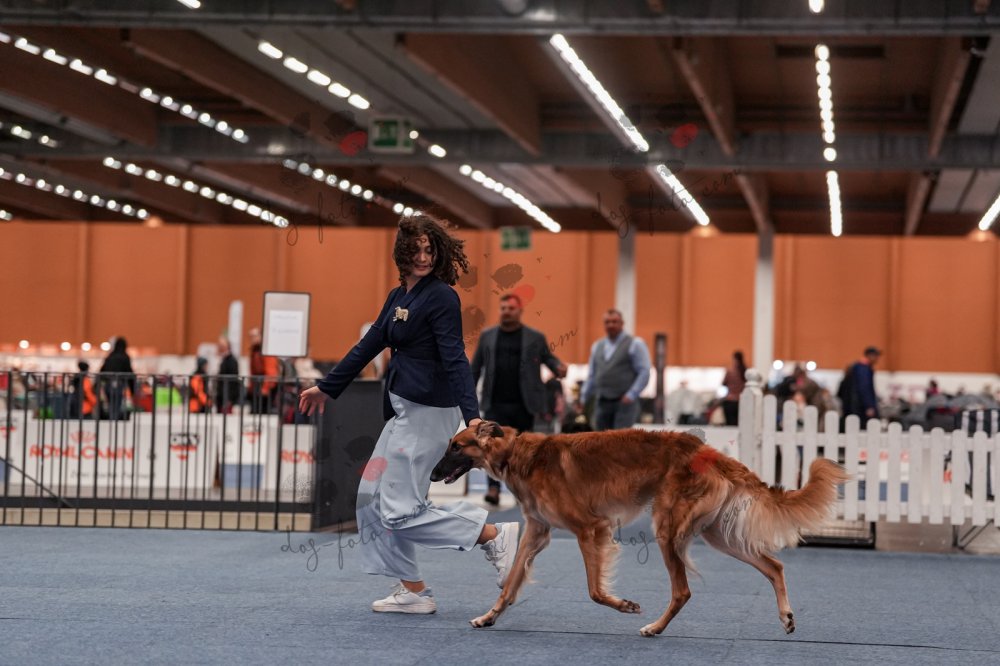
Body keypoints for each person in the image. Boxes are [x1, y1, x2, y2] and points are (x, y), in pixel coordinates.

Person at [298, 216, 519, 615]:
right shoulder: (399, 295)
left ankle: (492, 535)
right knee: (371, 499)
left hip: (428, 414)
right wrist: (327, 386)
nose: (423, 257)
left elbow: (455, 357)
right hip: (404, 413)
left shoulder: (442, 297)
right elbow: (370, 343)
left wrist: (472, 416)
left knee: (400, 511)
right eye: (415, 249)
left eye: (430, 250)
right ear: (401, 252)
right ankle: (413, 590)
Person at [470, 293, 567, 505]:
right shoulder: (487, 336)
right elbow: (475, 367)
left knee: (522, 450)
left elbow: (548, 358)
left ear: (520, 311)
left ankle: (522, 491)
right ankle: (493, 489)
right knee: (491, 446)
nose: (506, 312)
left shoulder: (535, 337)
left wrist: (558, 367)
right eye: (503, 308)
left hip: (525, 404)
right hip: (494, 402)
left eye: (511, 308)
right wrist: (467, 394)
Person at [580, 309, 651, 431]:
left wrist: (631, 395)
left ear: (622, 323)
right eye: (607, 322)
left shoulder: (635, 344)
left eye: (614, 322)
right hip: (602, 402)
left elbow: (644, 371)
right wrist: (584, 398)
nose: (611, 325)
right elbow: (592, 375)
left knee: (621, 440)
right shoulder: (597, 346)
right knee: (600, 438)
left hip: (624, 403)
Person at [840, 346, 882, 424]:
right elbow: (864, 387)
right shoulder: (863, 368)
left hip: (853, 406)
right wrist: (869, 406)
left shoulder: (857, 366)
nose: (877, 359)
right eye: (876, 356)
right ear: (870, 355)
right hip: (859, 407)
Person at [99, 336, 135, 420]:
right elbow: (129, 372)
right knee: (117, 405)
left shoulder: (110, 356)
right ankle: (115, 421)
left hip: (108, 385)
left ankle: (111, 420)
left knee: (111, 404)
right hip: (119, 384)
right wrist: (132, 388)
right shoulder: (125, 357)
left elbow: (102, 370)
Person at [247, 327, 281, 414]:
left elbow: (271, 372)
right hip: (257, 384)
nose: (252, 339)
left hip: (266, 385)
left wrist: (265, 388)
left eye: (254, 336)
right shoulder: (254, 350)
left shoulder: (266, 351)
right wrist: (251, 386)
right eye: (251, 337)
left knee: (263, 411)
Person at [215, 338, 241, 413]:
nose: (219, 348)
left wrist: (230, 398)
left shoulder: (232, 361)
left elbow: (233, 381)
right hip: (221, 395)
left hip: (227, 396)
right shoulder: (223, 359)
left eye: (221, 346)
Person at [721, 350, 747, 426]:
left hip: (730, 400)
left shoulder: (730, 371)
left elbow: (723, 383)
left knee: (730, 425)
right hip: (741, 401)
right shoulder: (745, 371)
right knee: (740, 424)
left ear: (734, 359)